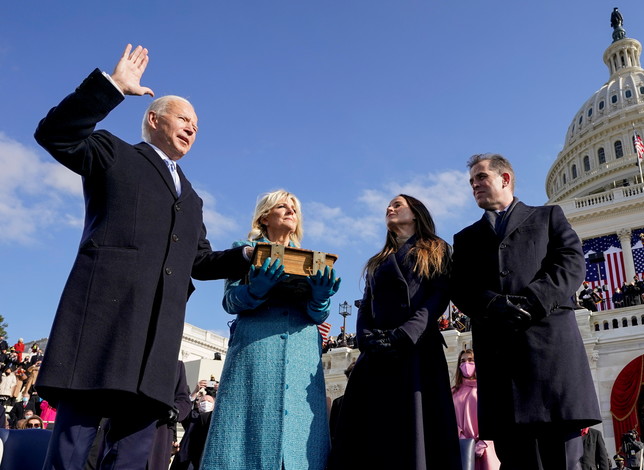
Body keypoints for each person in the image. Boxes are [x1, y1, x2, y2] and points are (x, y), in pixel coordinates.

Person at [33, 45, 252, 470]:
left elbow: (200, 262)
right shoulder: (114, 154)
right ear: (154, 119)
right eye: (184, 118)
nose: (193, 128)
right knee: (72, 450)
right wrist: (112, 87)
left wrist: (245, 255)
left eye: (197, 124)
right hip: (102, 327)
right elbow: (55, 133)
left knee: (133, 455)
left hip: (155, 342)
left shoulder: (192, 198)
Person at [450, 153, 601, 469]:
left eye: (481, 178)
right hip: (501, 370)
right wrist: (495, 305)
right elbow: (461, 288)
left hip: (551, 363)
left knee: (564, 462)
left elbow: (571, 265)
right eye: (472, 181)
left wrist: (531, 302)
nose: (474, 186)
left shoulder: (547, 217)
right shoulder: (465, 239)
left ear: (505, 178)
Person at [201, 190, 339, 470]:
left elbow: (317, 315)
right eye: (283, 206)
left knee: (301, 446)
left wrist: (321, 297)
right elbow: (230, 301)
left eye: (294, 208)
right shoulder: (244, 249)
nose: (291, 211)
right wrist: (255, 290)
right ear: (265, 216)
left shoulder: (311, 259)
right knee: (244, 438)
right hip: (256, 354)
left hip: (302, 360)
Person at [330, 194, 460, 470]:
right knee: (368, 434)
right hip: (377, 353)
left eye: (397, 204)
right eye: (389, 205)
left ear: (415, 213)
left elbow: (437, 298)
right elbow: (365, 304)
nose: (390, 208)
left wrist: (405, 333)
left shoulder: (437, 249)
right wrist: (365, 338)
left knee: (417, 433)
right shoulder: (378, 260)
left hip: (417, 351)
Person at [451, 349, 500, 470]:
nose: (466, 364)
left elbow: (495, 416)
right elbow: (448, 418)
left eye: (470, 360)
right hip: (462, 449)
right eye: (462, 361)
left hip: (485, 449)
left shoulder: (487, 389)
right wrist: (461, 438)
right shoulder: (453, 392)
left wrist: (484, 442)